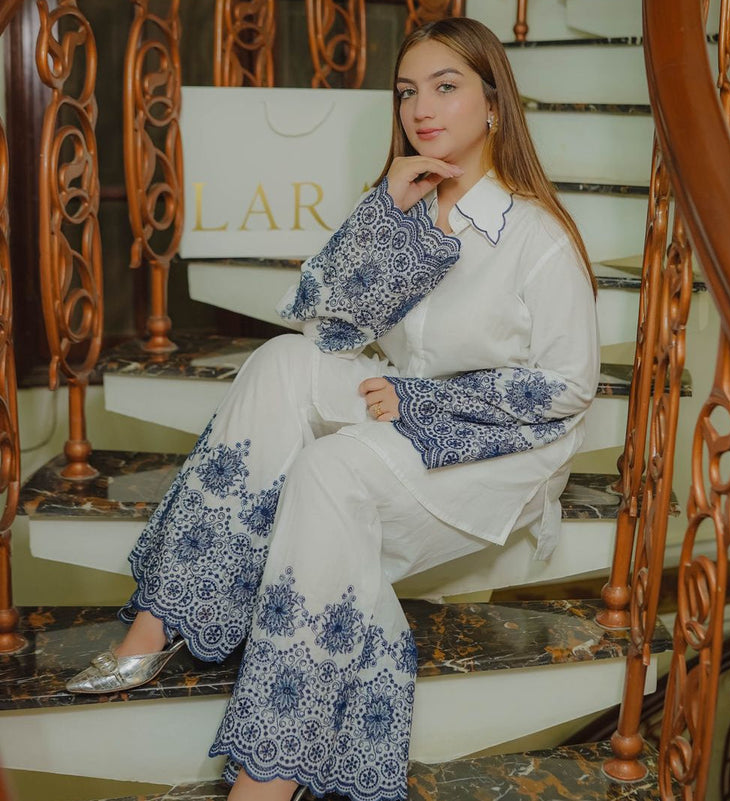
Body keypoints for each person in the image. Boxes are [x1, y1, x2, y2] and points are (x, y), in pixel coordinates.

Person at [66, 16, 599, 801]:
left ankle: (269, 774)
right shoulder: (409, 200)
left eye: (446, 88)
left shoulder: (537, 237)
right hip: (399, 410)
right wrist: (384, 213)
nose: (422, 108)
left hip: (497, 449)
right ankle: (160, 623)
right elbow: (326, 324)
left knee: (327, 470)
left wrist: (421, 401)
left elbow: (567, 386)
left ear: (493, 105)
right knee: (281, 362)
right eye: (409, 91)